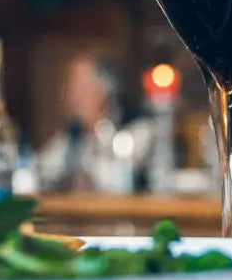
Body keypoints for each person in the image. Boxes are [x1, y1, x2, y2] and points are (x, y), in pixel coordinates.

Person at [37, 54, 152, 192]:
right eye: (70, 89)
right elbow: (42, 169)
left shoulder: (137, 128)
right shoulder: (71, 135)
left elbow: (120, 179)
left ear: (102, 92)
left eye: (80, 88)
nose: (71, 97)